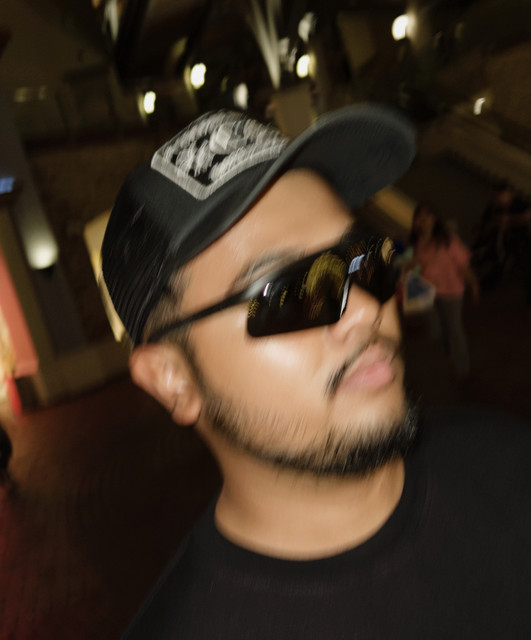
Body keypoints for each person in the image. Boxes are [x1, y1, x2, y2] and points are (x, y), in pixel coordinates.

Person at [101, 106, 531, 639]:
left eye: (364, 260)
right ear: (173, 380)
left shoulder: (510, 461)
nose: (367, 310)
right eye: (289, 291)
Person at [407, 202, 479, 381]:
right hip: (430, 292)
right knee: (438, 330)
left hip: (452, 292)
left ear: (434, 219)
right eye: (419, 217)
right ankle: (450, 354)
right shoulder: (418, 241)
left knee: (455, 330)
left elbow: (463, 265)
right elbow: (418, 262)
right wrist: (409, 268)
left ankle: (463, 371)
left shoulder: (448, 240)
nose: (423, 220)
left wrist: (473, 283)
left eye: (427, 216)